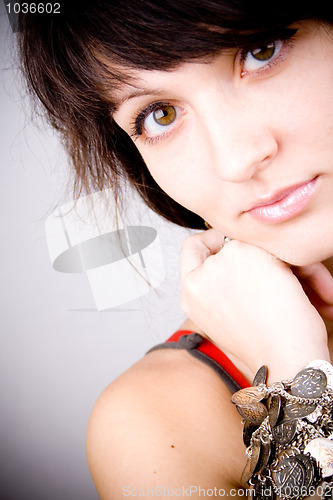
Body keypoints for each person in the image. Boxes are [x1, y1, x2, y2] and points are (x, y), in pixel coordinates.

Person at [18, 1, 333, 497]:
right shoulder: (156, 424)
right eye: (160, 115)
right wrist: (296, 382)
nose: (236, 158)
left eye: (260, 50)